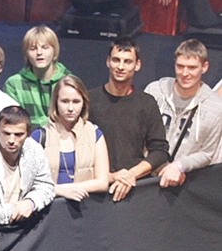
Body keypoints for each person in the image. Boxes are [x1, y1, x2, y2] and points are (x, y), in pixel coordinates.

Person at [88, 38, 169, 202]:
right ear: (108, 62)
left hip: (135, 188)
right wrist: (110, 177)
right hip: (95, 188)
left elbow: (160, 150)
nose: (120, 66)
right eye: (116, 60)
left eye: (127, 61)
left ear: (137, 65)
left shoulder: (146, 103)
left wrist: (130, 175)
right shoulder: (89, 100)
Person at [144, 39, 222, 189]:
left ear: (204, 67)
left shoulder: (215, 106)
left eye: (192, 67)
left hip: (183, 183)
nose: (185, 73)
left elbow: (207, 153)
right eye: (180, 66)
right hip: (145, 175)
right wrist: (156, 164)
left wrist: (180, 166)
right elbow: (138, 135)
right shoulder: (154, 91)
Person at [0, 106, 54, 226]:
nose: (11, 140)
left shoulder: (34, 150)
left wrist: (31, 203)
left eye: (18, 134)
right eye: (6, 133)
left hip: (24, 230)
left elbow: (46, 185)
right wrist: (20, 210)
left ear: (28, 133)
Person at [29, 76, 109, 202]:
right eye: (65, 101)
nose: (70, 108)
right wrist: (60, 191)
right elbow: (29, 183)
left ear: (84, 103)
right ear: (55, 102)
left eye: (76, 101)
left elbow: (102, 182)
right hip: (50, 211)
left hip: (86, 209)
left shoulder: (94, 134)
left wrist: (67, 189)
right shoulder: (39, 137)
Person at [3, 26, 71, 129]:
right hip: (26, 140)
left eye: (45, 47)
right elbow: (14, 123)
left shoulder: (69, 82)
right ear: (26, 53)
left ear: (55, 51)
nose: (39, 53)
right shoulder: (14, 84)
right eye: (33, 48)